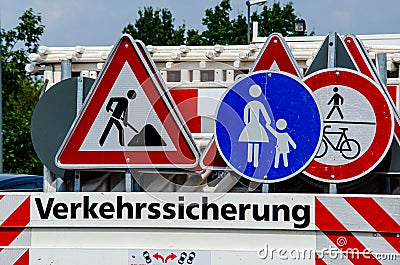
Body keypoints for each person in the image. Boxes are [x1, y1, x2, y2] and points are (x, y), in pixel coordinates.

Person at [239, 84, 274, 167]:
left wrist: (247, 123)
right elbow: (265, 114)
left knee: (251, 141)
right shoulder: (259, 104)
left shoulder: (249, 104)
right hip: (257, 125)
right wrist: (268, 122)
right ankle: (255, 161)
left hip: (251, 125)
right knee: (257, 142)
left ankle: (250, 159)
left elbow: (245, 115)